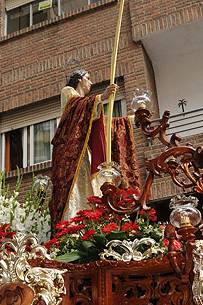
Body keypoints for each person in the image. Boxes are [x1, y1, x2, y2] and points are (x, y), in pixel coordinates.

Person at [49, 68, 142, 230]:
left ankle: (90, 224)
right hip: (71, 155)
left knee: (92, 189)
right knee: (75, 189)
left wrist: (133, 120)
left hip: (85, 154)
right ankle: (71, 226)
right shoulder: (69, 93)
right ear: (78, 79)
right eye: (88, 78)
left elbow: (104, 126)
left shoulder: (88, 107)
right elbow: (75, 106)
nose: (91, 82)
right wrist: (102, 97)